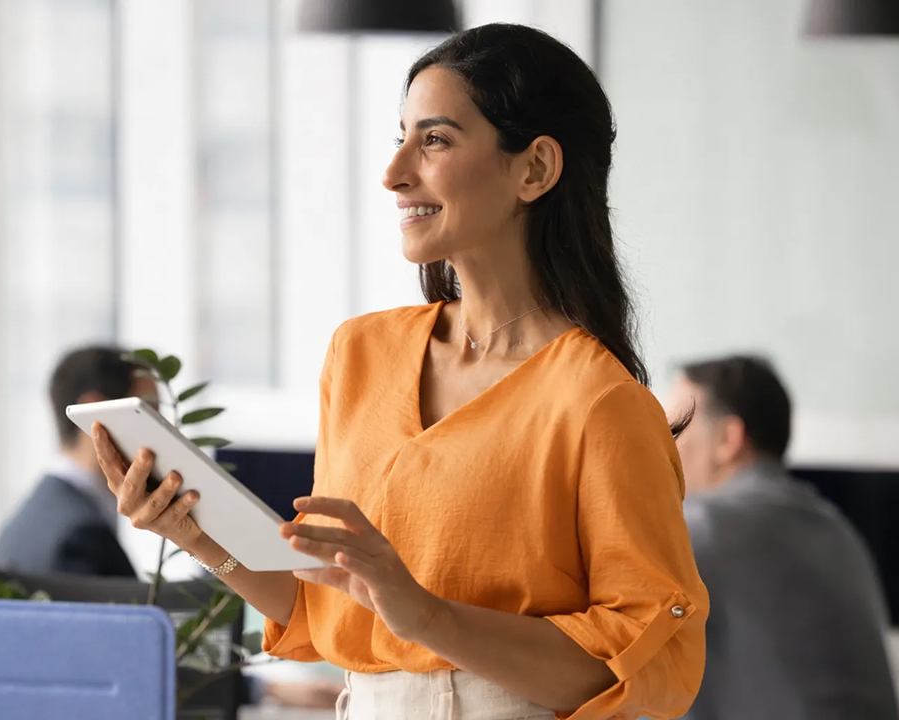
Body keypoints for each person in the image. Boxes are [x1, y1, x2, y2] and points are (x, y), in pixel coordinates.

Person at [94, 24, 708, 720]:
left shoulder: (599, 402)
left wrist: (425, 613)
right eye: (401, 136)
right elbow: (322, 606)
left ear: (534, 168)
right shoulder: (360, 354)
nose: (394, 173)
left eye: (436, 140)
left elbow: (639, 672)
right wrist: (194, 535)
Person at [666, 356, 899, 720]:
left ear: (729, 439)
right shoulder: (837, 529)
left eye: (676, 432)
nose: (662, 450)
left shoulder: (701, 528)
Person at [0, 346, 155, 577]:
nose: (162, 431)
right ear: (96, 414)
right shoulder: (81, 537)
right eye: (150, 413)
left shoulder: (21, 523)